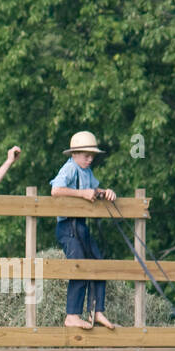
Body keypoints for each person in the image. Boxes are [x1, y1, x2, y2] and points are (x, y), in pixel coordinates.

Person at [50, 130, 117, 329]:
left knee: (98, 265)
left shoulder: (86, 171)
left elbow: (93, 190)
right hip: (67, 226)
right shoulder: (70, 168)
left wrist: (105, 192)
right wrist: (82, 194)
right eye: (86, 155)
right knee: (79, 267)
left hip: (81, 226)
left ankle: (97, 311)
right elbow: (56, 190)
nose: (90, 159)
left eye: (92, 156)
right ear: (74, 154)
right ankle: (72, 315)